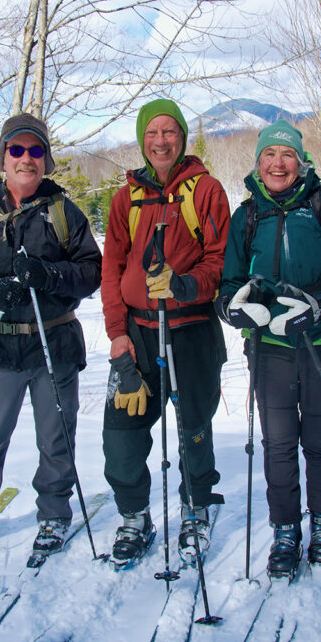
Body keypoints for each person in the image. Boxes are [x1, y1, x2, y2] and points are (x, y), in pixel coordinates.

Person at [0, 113, 102, 565]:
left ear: (44, 160)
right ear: (2, 159)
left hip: (55, 343)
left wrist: (49, 275)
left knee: (57, 437)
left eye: (34, 151)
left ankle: (53, 514)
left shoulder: (64, 212)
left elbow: (91, 273)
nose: (25, 159)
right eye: (16, 150)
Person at [217, 120, 321, 578]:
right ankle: (286, 528)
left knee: (320, 441)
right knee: (279, 444)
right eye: (270, 155)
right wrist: (235, 309)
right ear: (259, 164)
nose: (278, 163)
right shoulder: (246, 216)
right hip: (269, 348)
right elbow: (227, 283)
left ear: (301, 162)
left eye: (287, 155)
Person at [100, 98, 229, 569]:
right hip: (137, 329)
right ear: (141, 139)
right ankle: (135, 517)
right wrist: (118, 335)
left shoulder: (206, 190)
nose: (161, 140)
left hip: (191, 329)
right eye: (152, 132)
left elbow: (220, 259)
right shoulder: (125, 199)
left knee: (194, 425)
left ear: (182, 137)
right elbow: (111, 270)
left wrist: (185, 285)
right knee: (122, 429)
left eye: (170, 131)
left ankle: (196, 508)